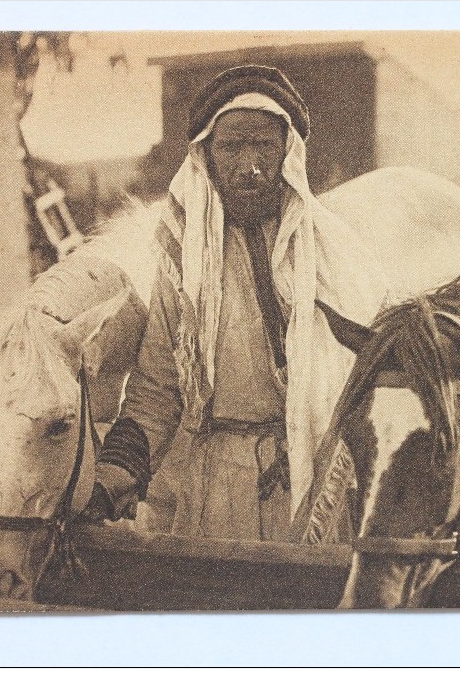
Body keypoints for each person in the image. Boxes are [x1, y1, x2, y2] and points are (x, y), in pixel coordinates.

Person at [85, 65, 388, 541]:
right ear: (206, 155)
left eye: (263, 146)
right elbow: (157, 385)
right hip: (215, 482)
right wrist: (116, 475)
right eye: (231, 147)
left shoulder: (333, 253)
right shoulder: (183, 261)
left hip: (311, 476)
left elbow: (368, 384)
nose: (248, 165)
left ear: (286, 152)